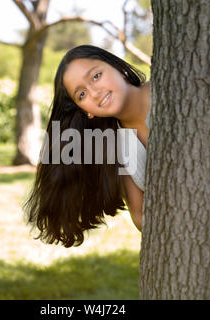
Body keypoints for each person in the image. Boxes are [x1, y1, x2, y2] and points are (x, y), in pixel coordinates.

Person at [22, 45, 151, 247]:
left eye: (96, 76)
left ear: (118, 67)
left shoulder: (169, 93)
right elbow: (141, 215)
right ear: (86, 111)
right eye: (81, 94)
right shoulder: (121, 147)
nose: (94, 92)